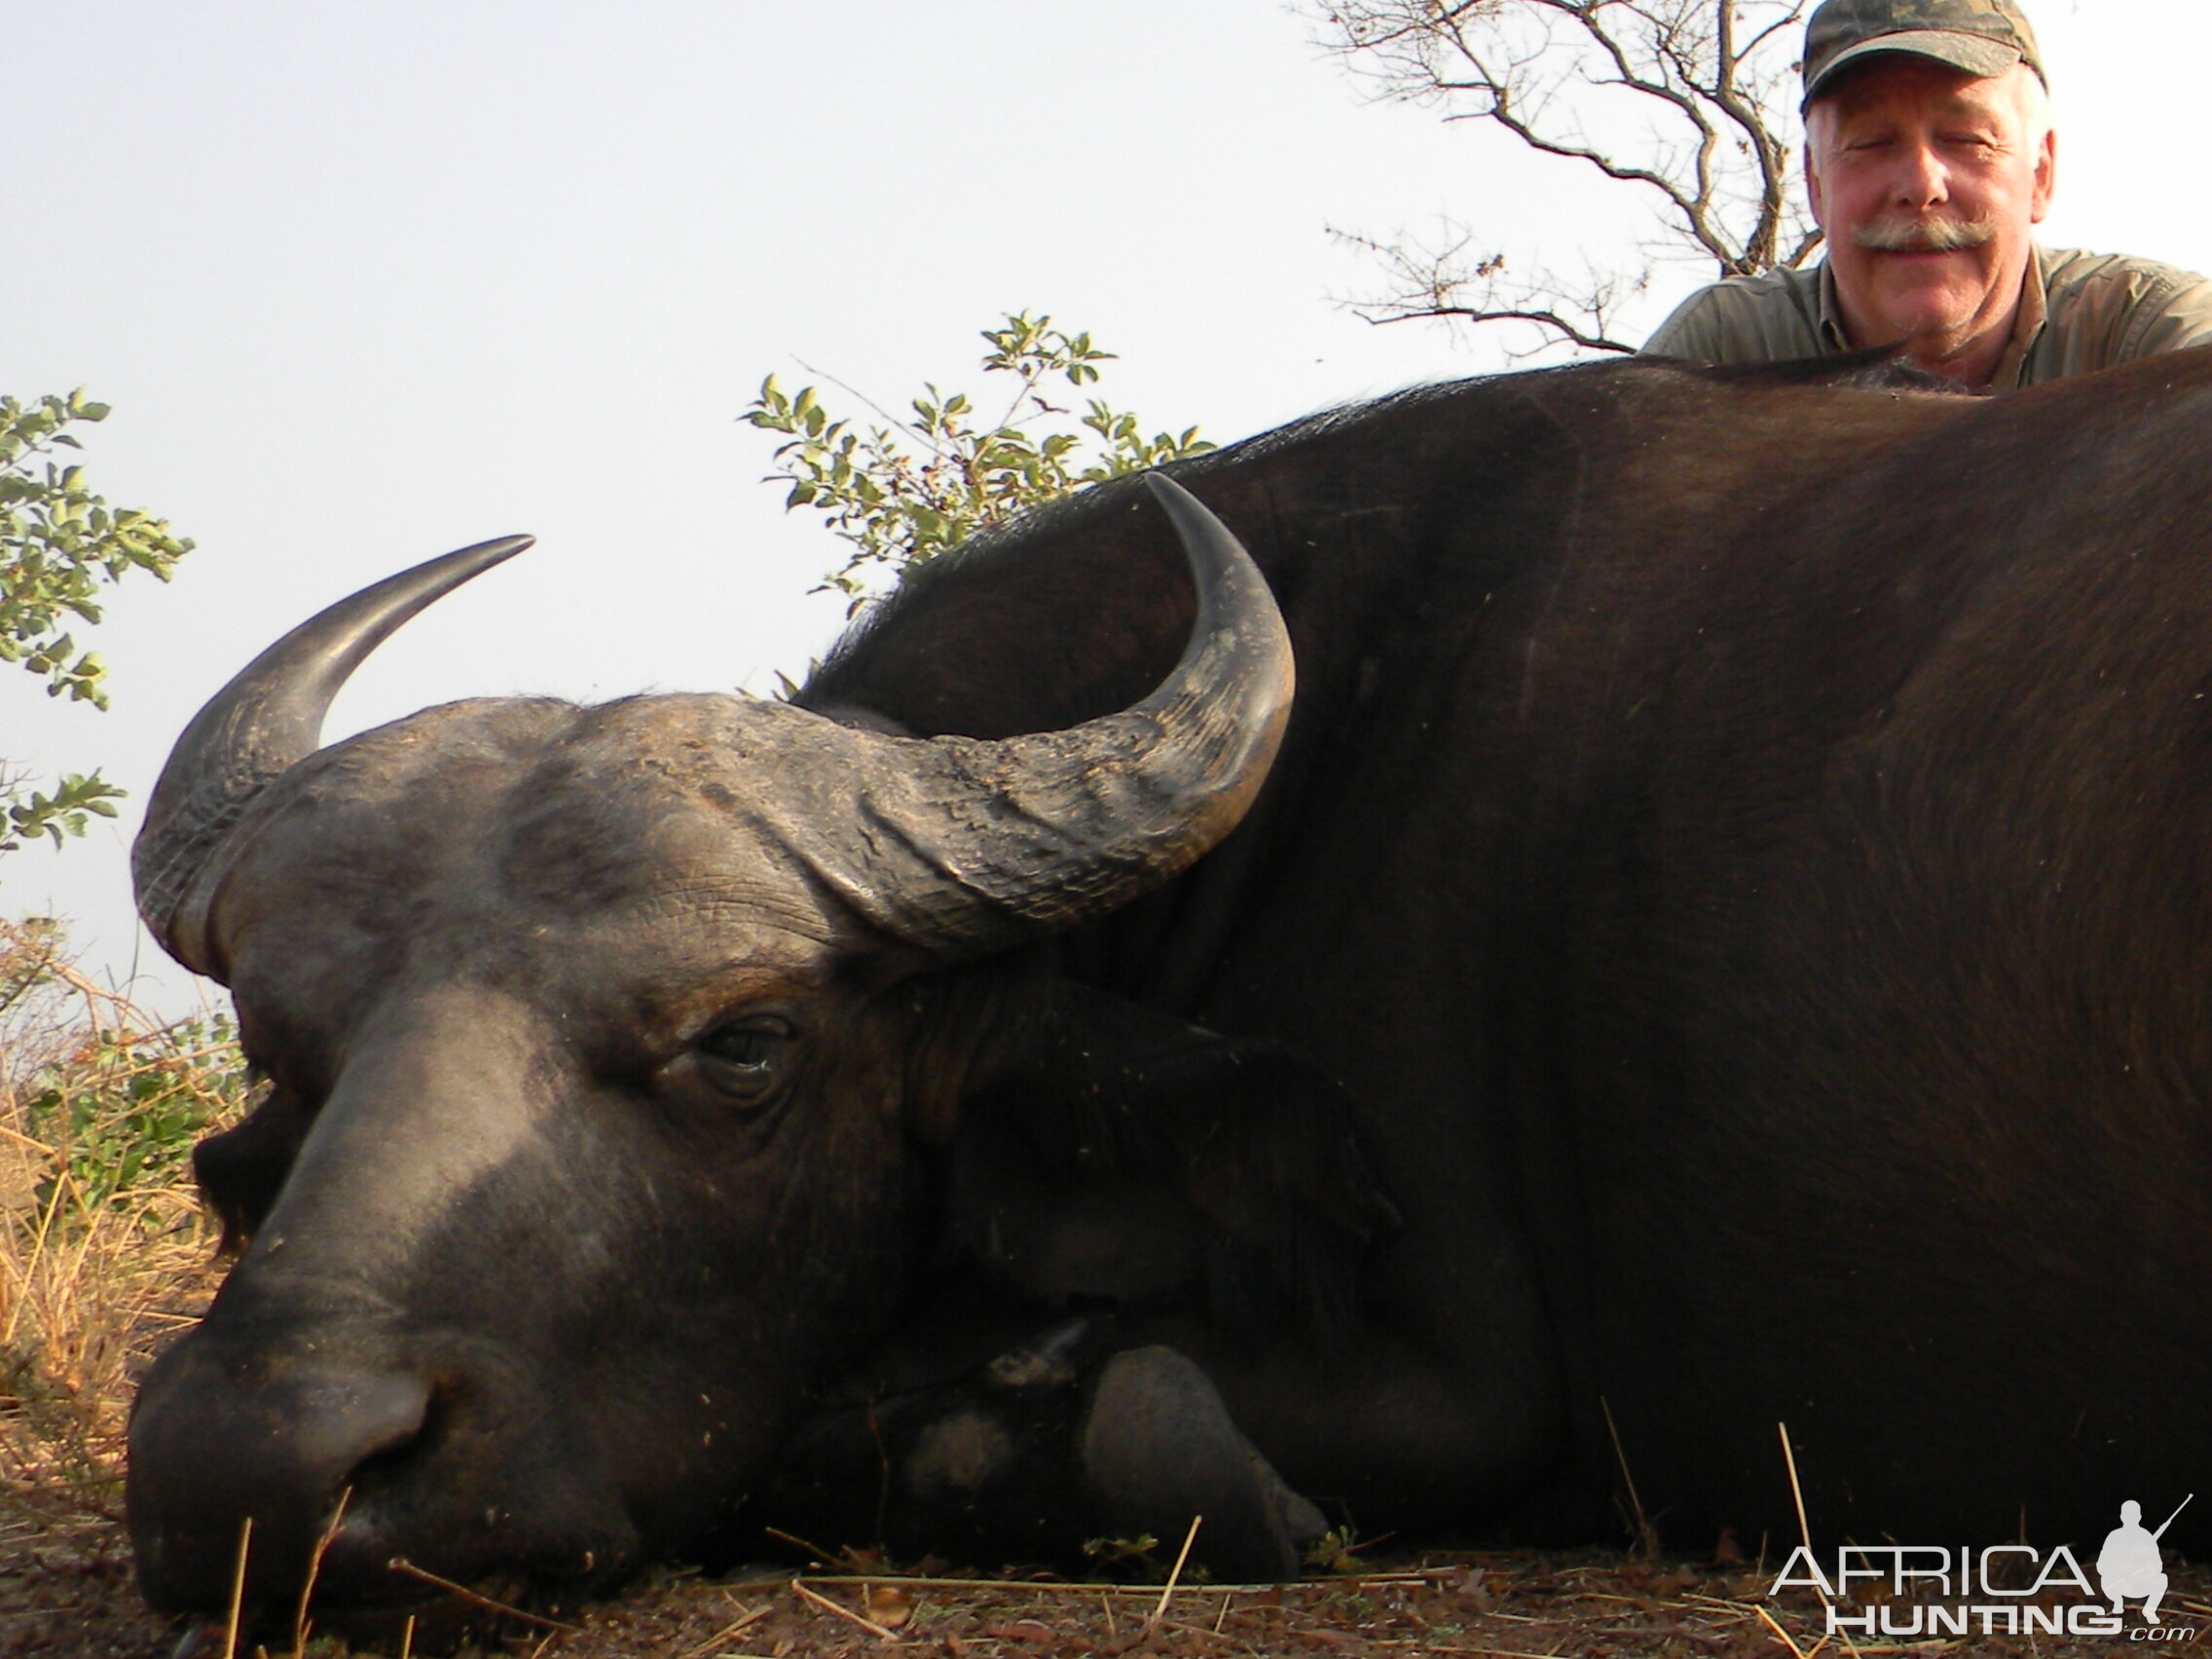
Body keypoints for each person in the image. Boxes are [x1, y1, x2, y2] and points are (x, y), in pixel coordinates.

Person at [1642, 0, 2212, 388]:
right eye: (1870, 143)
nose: (1921, 186)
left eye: (1967, 139)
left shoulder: (2152, 340)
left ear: (2040, 174)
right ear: (1816, 185)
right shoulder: (1718, 358)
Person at [2096, 1499, 2169, 1624]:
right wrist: (2118, 1562)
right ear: (2121, 1517)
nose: (2130, 1518)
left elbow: (2157, 1568)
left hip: (2140, 1583)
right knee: (2105, 1579)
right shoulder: (2114, 1536)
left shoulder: (2146, 1537)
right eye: (2127, 1515)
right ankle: (2117, 1602)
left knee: (2162, 1579)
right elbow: (2101, 1566)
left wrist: (2146, 1557)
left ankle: (2150, 1610)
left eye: (2133, 1515)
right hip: (2118, 1583)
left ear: (2139, 1517)